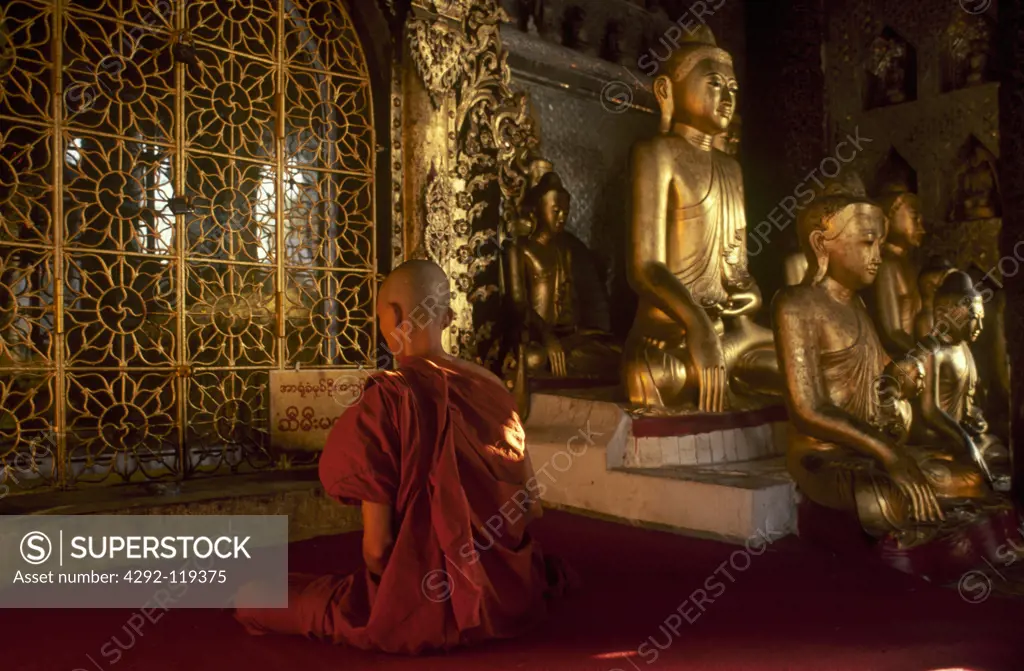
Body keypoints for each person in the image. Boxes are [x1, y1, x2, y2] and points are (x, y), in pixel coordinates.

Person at [235, 260, 566, 653]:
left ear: (390, 317)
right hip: (507, 598)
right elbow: (527, 509)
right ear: (447, 317)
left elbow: (377, 551)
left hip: (421, 605)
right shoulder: (492, 387)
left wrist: (400, 589)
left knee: (253, 598)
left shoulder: (388, 400)